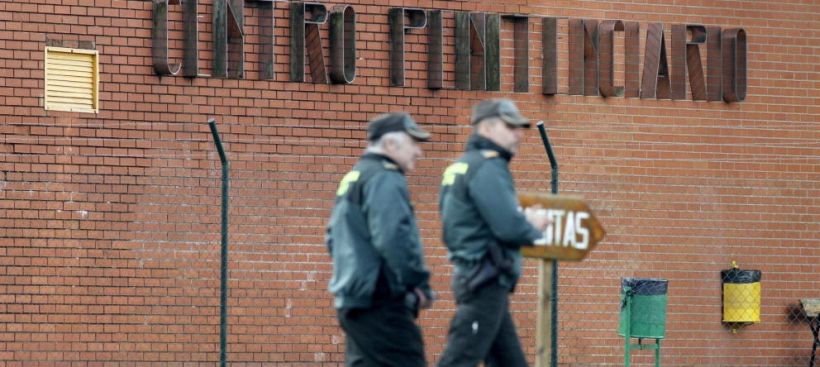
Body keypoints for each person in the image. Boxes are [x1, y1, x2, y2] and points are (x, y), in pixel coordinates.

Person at [437, 98, 550, 367]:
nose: (518, 134)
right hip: (484, 279)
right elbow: (509, 226)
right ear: (486, 129)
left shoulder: (461, 166)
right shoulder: (489, 167)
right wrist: (532, 223)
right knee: (459, 359)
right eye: (510, 127)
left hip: (475, 275)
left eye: (519, 127)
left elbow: (464, 223)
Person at [326, 112, 435, 367]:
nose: (418, 152)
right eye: (413, 143)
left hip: (354, 300)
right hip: (381, 301)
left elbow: (333, 238)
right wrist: (417, 284)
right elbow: (393, 236)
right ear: (389, 144)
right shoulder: (385, 177)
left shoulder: (356, 176)